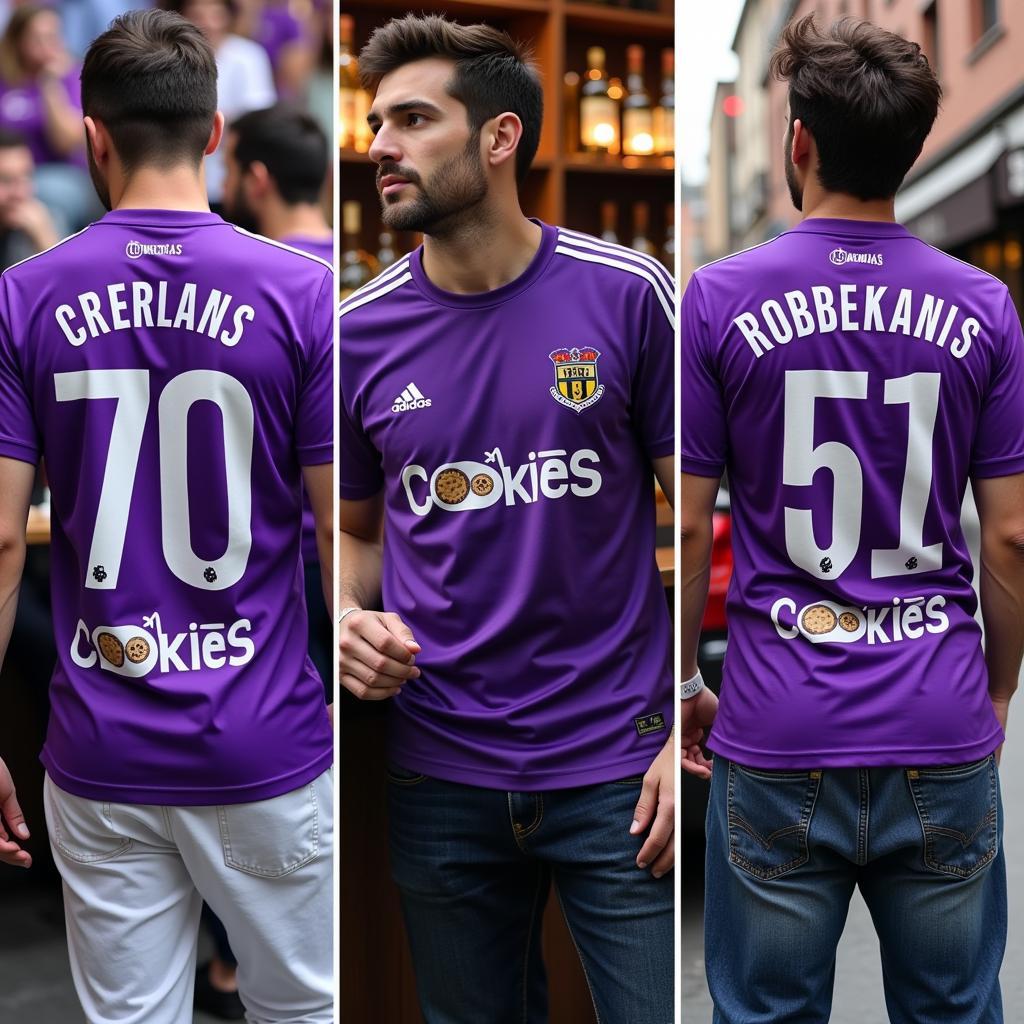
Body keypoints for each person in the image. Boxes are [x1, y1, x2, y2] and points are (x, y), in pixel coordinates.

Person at [680, 15, 1024, 1024]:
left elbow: (689, 520)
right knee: (955, 1010)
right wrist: (994, 689)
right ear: (912, 148)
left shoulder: (717, 299)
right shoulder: (984, 306)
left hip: (776, 723)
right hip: (938, 716)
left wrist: (678, 685)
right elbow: (1007, 535)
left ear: (797, 142)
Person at [339, 14, 675, 1023]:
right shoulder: (356, 333)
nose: (378, 144)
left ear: (498, 139)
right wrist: (345, 617)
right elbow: (351, 536)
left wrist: (696, 711)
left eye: (412, 118)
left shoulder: (627, 295)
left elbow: (710, 518)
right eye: (375, 119)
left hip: (619, 767)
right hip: (440, 773)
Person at [0, 10, 334, 1023]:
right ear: (218, 135)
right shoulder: (303, 293)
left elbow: (3, 536)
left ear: (93, 137)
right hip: (262, 740)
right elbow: (346, 533)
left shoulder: (24, 295)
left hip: (101, 748)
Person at [159, 0, 275, 209]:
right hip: (177, 179)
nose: (208, 23)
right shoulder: (165, 59)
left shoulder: (249, 57)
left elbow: (260, 121)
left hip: (236, 181)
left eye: (216, 14)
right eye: (197, 15)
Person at [0, 4, 99, 233]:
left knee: (44, 198)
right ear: (19, 40)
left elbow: (65, 142)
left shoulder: (73, 77)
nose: (48, 45)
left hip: (57, 173)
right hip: (6, 175)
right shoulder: (6, 79)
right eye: (38, 38)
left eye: (53, 36)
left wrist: (50, 84)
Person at [0, 127, 58, 270]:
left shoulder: (38, 222)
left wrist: (46, 242)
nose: (20, 193)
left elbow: (69, 287)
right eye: (6, 179)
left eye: (27, 176)